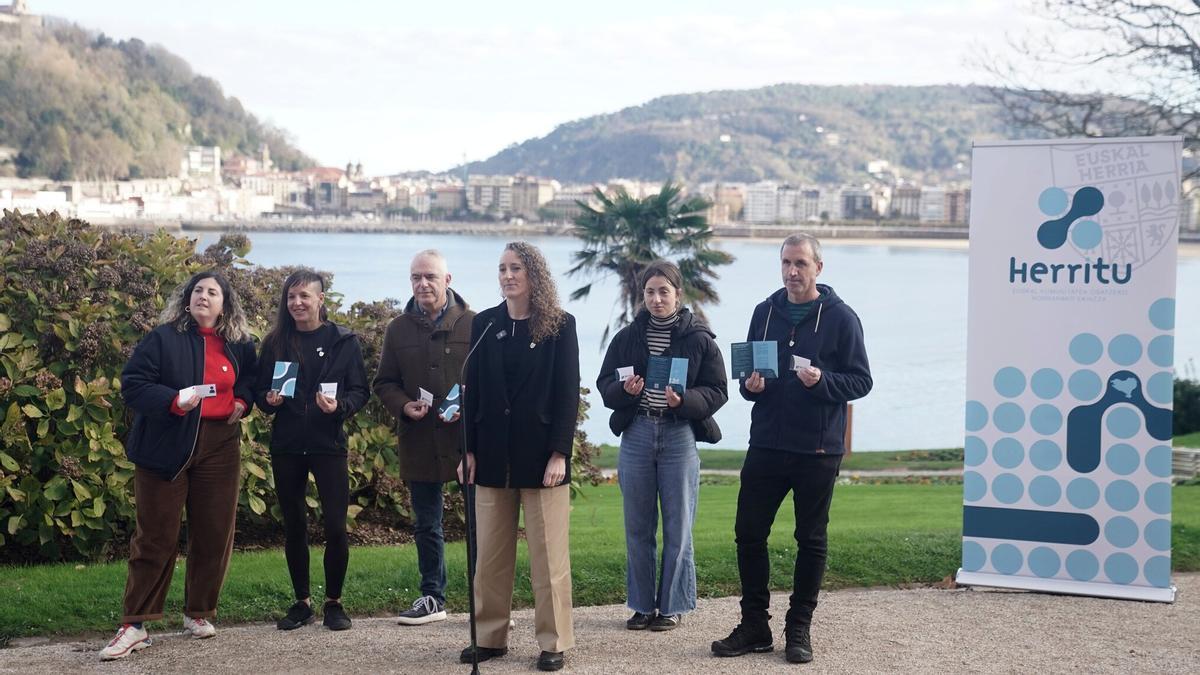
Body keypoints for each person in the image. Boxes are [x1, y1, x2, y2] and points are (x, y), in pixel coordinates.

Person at [711, 233, 872, 664]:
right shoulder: (764, 313)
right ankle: (754, 625)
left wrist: (823, 382)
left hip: (817, 450)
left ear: (819, 267)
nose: (791, 271)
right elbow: (747, 384)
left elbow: (861, 381)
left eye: (800, 263)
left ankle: (798, 627)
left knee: (811, 539)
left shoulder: (841, 318)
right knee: (748, 533)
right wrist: (751, 386)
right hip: (766, 443)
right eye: (786, 262)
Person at [101, 271, 257, 661]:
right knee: (155, 535)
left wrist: (242, 402)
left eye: (213, 292)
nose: (204, 296)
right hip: (166, 443)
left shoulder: (239, 345)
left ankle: (198, 611)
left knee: (214, 532)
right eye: (198, 291)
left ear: (225, 304)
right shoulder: (162, 339)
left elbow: (250, 382)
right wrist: (174, 400)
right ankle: (134, 624)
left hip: (221, 444)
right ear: (187, 300)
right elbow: (133, 385)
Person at [458, 241, 580, 673]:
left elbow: (568, 395)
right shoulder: (486, 325)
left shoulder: (561, 326)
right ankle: (490, 638)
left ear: (534, 275)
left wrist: (560, 453)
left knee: (548, 560)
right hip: (492, 457)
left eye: (516, 268)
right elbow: (472, 394)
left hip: (541, 459)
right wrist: (468, 449)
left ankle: (553, 641)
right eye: (502, 268)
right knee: (489, 556)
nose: (508, 275)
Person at [596, 260, 727, 632]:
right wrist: (624, 391)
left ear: (677, 294)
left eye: (663, 292)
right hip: (636, 433)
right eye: (650, 292)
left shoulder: (699, 338)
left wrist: (683, 401)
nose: (656, 299)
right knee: (637, 527)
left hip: (678, 435)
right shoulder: (627, 338)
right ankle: (641, 606)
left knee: (678, 526)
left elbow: (718, 391)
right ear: (643, 296)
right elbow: (606, 384)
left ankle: (671, 606)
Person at [255, 269, 369, 632]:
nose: (297, 303)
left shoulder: (343, 340)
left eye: (304, 296)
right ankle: (301, 601)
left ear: (321, 299)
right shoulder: (275, 342)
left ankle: (334, 602)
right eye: (291, 297)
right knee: (294, 526)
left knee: (335, 526)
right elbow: (262, 394)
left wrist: (340, 408)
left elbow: (359, 391)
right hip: (287, 446)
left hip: (328, 445)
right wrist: (268, 400)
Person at [373, 250, 475, 625]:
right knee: (426, 524)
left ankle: (487, 600)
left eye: (430, 277)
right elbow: (383, 382)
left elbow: (489, 385)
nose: (422, 284)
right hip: (418, 439)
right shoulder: (397, 328)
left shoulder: (475, 324)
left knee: (480, 522)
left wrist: (470, 410)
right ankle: (432, 596)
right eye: (416, 277)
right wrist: (403, 405)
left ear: (447, 280)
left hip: (466, 442)